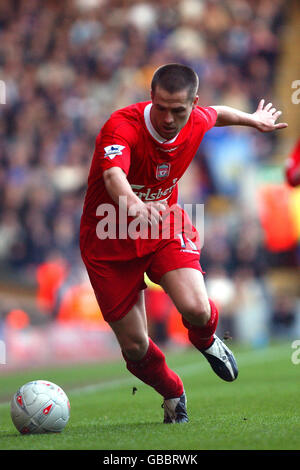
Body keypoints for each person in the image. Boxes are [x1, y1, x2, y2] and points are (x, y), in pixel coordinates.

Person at [80, 64, 288, 423]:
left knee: (198, 309)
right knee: (134, 347)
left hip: (163, 224)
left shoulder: (197, 119)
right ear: (151, 98)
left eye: (179, 110)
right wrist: (133, 205)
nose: (168, 118)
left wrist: (254, 119)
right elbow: (114, 175)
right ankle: (173, 391)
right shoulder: (120, 126)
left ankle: (206, 339)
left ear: (194, 103)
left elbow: (218, 114)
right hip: (108, 239)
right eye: (161, 107)